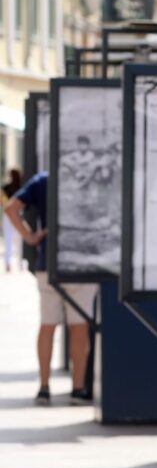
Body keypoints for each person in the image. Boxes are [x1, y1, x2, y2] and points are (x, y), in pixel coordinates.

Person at [2, 171, 97, 405]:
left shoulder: (45, 179)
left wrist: (30, 237)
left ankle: (44, 387)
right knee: (79, 327)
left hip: (49, 261)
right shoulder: (90, 175)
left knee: (48, 324)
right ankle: (77, 388)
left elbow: (11, 208)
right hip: (82, 262)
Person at [2, 168, 22, 272]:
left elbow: (3, 203)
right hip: (15, 215)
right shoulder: (20, 187)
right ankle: (15, 263)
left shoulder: (19, 187)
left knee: (10, 240)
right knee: (16, 240)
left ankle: (9, 264)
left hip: (11, 215)